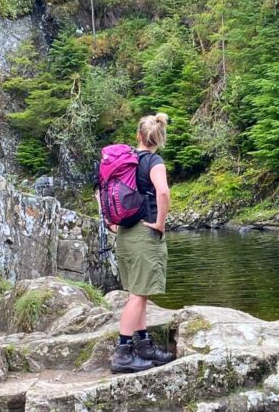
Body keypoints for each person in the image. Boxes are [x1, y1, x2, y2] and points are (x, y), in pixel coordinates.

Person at [110, 112, 175, 374]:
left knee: (140, 291)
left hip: (124, 234)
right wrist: (160, 222)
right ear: (159, 138)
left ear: (138, 135)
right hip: (144, 234)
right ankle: (123, 353)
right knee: (138, 295)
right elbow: (163, 191)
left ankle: (144, 344)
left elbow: (99, 191)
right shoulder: (154, 161)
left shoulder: (123, 162)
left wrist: (110, 221)